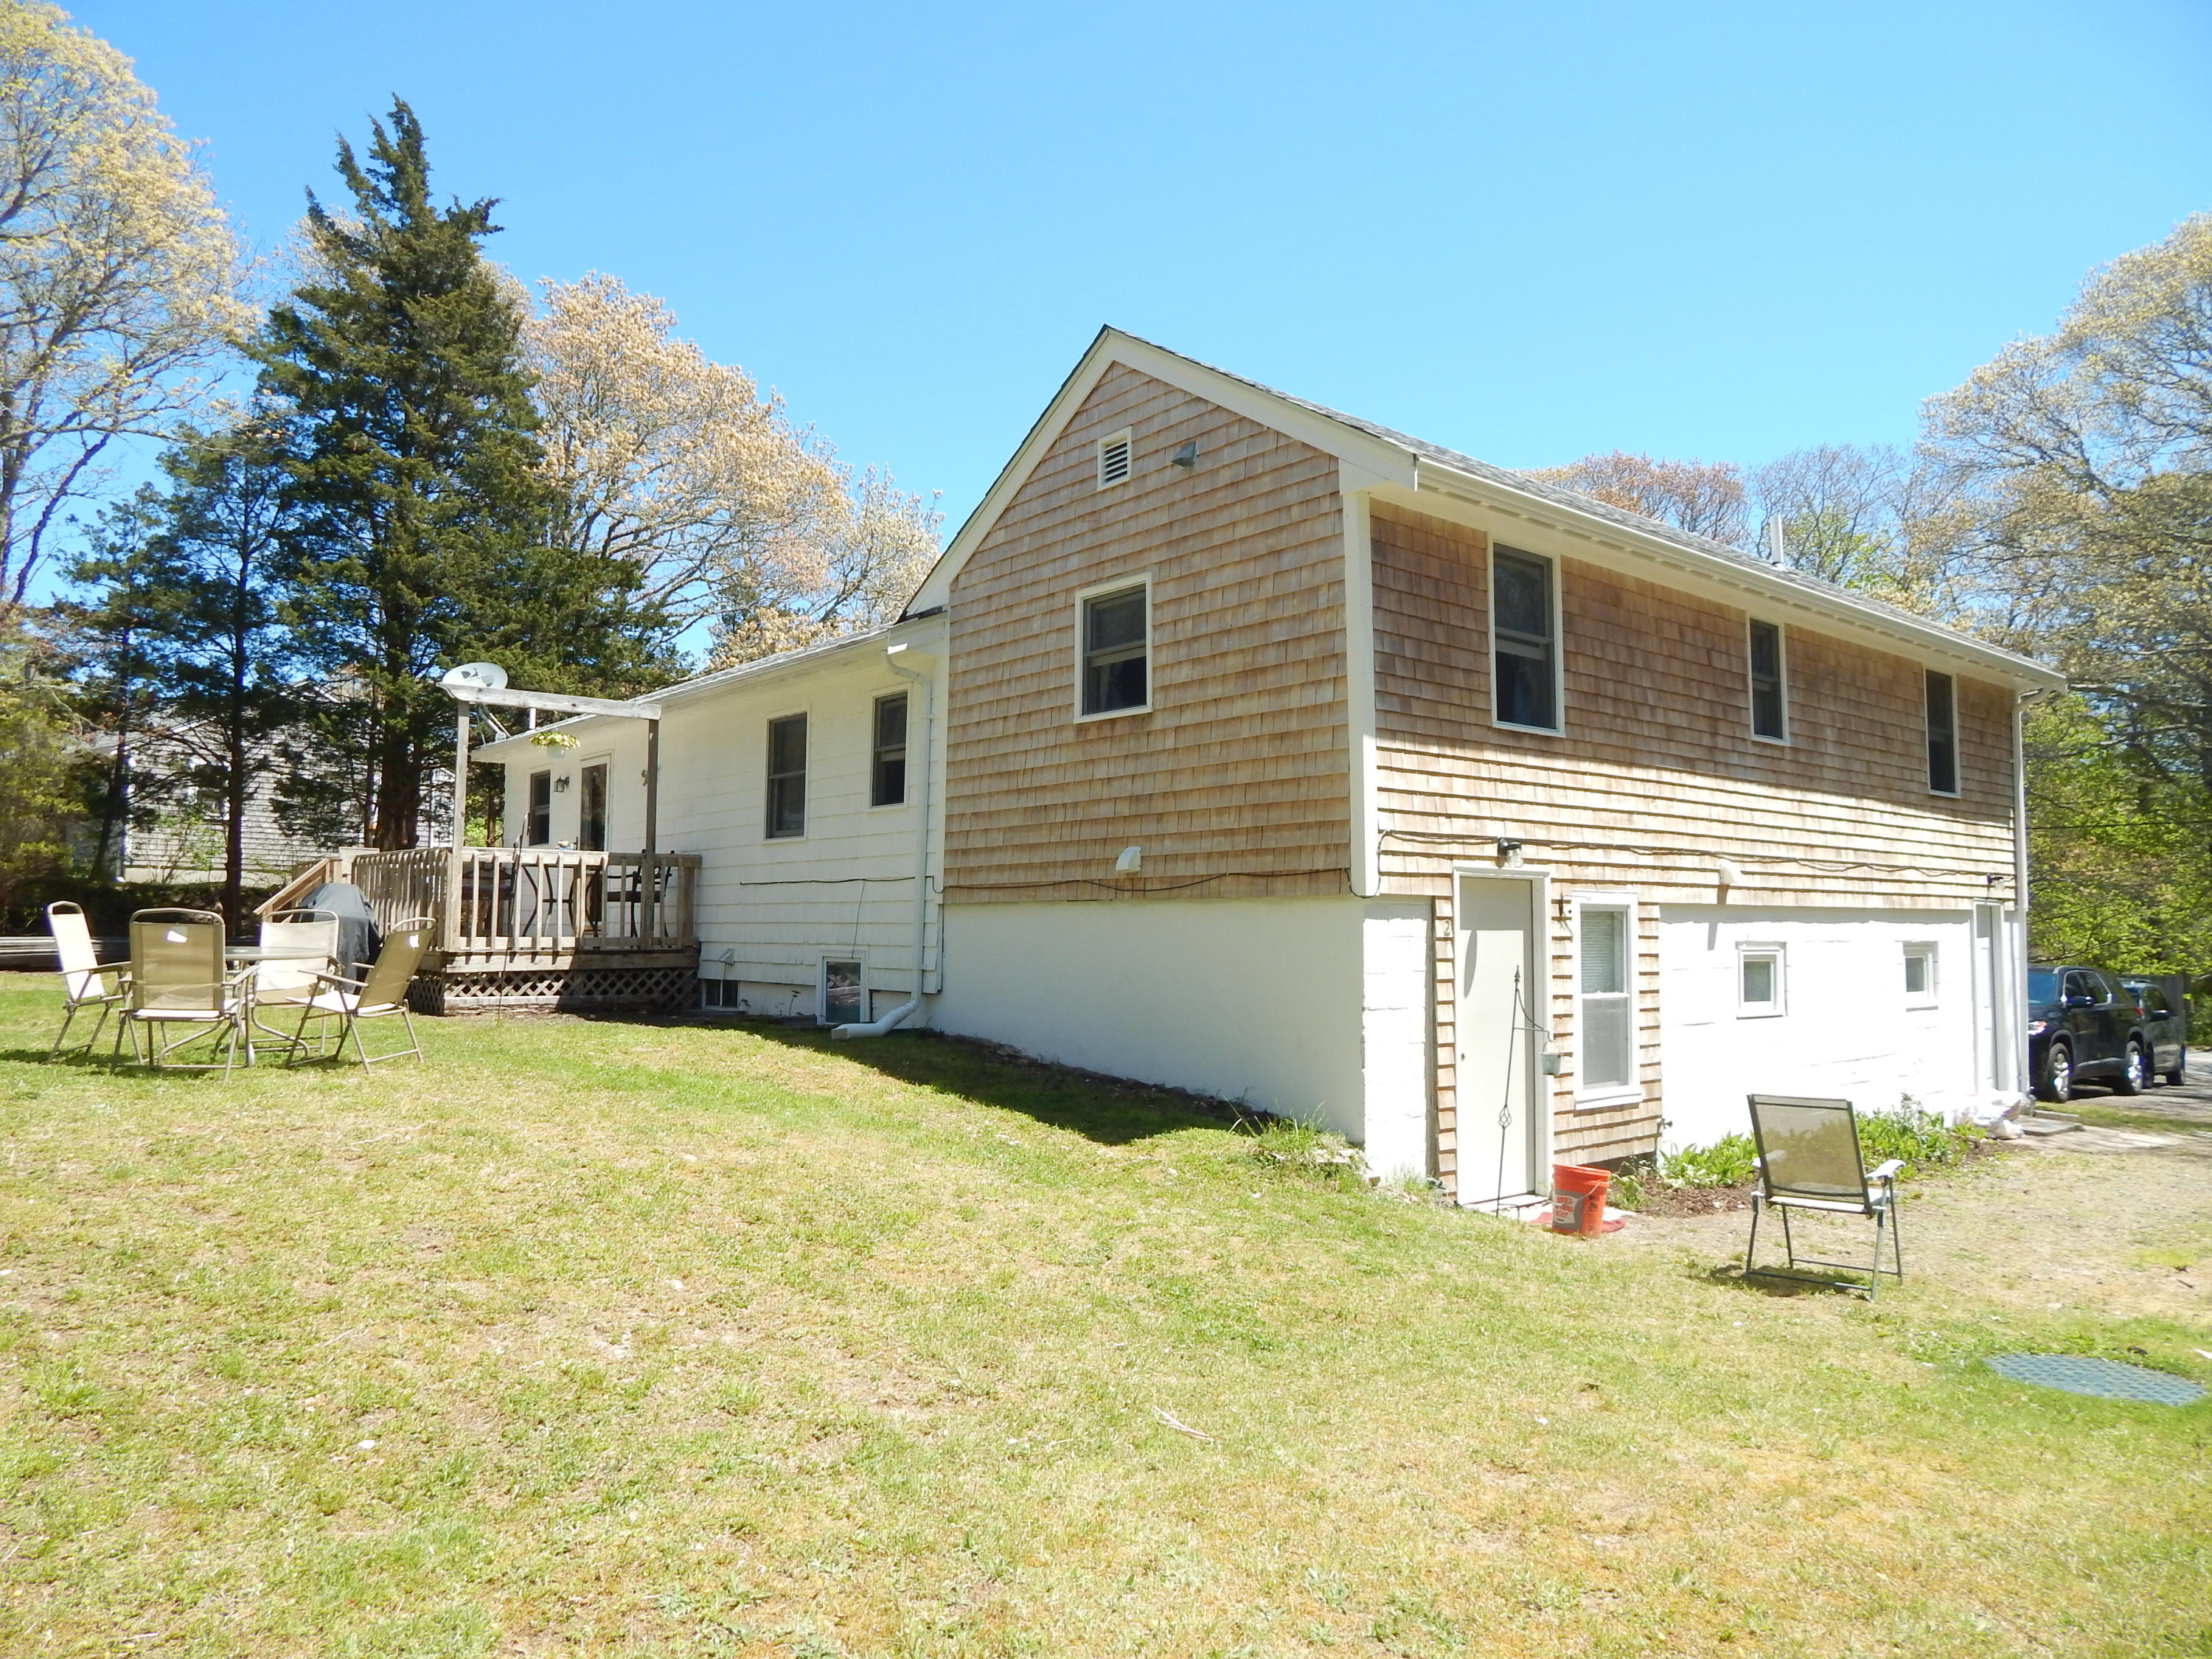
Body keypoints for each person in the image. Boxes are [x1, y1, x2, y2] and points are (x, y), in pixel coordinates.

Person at [302, 880, 380, 984]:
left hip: (311, 980)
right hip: (352, 981)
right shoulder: (362, 917)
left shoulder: (315, 911)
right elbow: (374, 943)